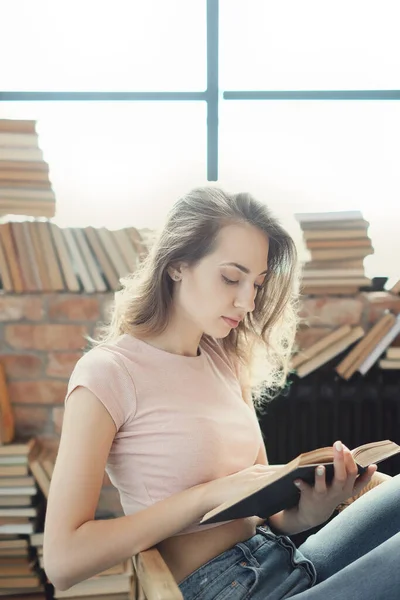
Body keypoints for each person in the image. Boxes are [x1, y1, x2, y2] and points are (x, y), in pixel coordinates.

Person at [43, 187, 400, 599]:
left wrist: (310, 511)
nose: (247, 301)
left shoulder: (225, 360)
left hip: (284, 561)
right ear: (177, 265)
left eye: (257, 283)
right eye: (231, 277)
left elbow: (266, 516)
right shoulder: (109, 372)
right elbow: (62, 562)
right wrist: (205, 497)